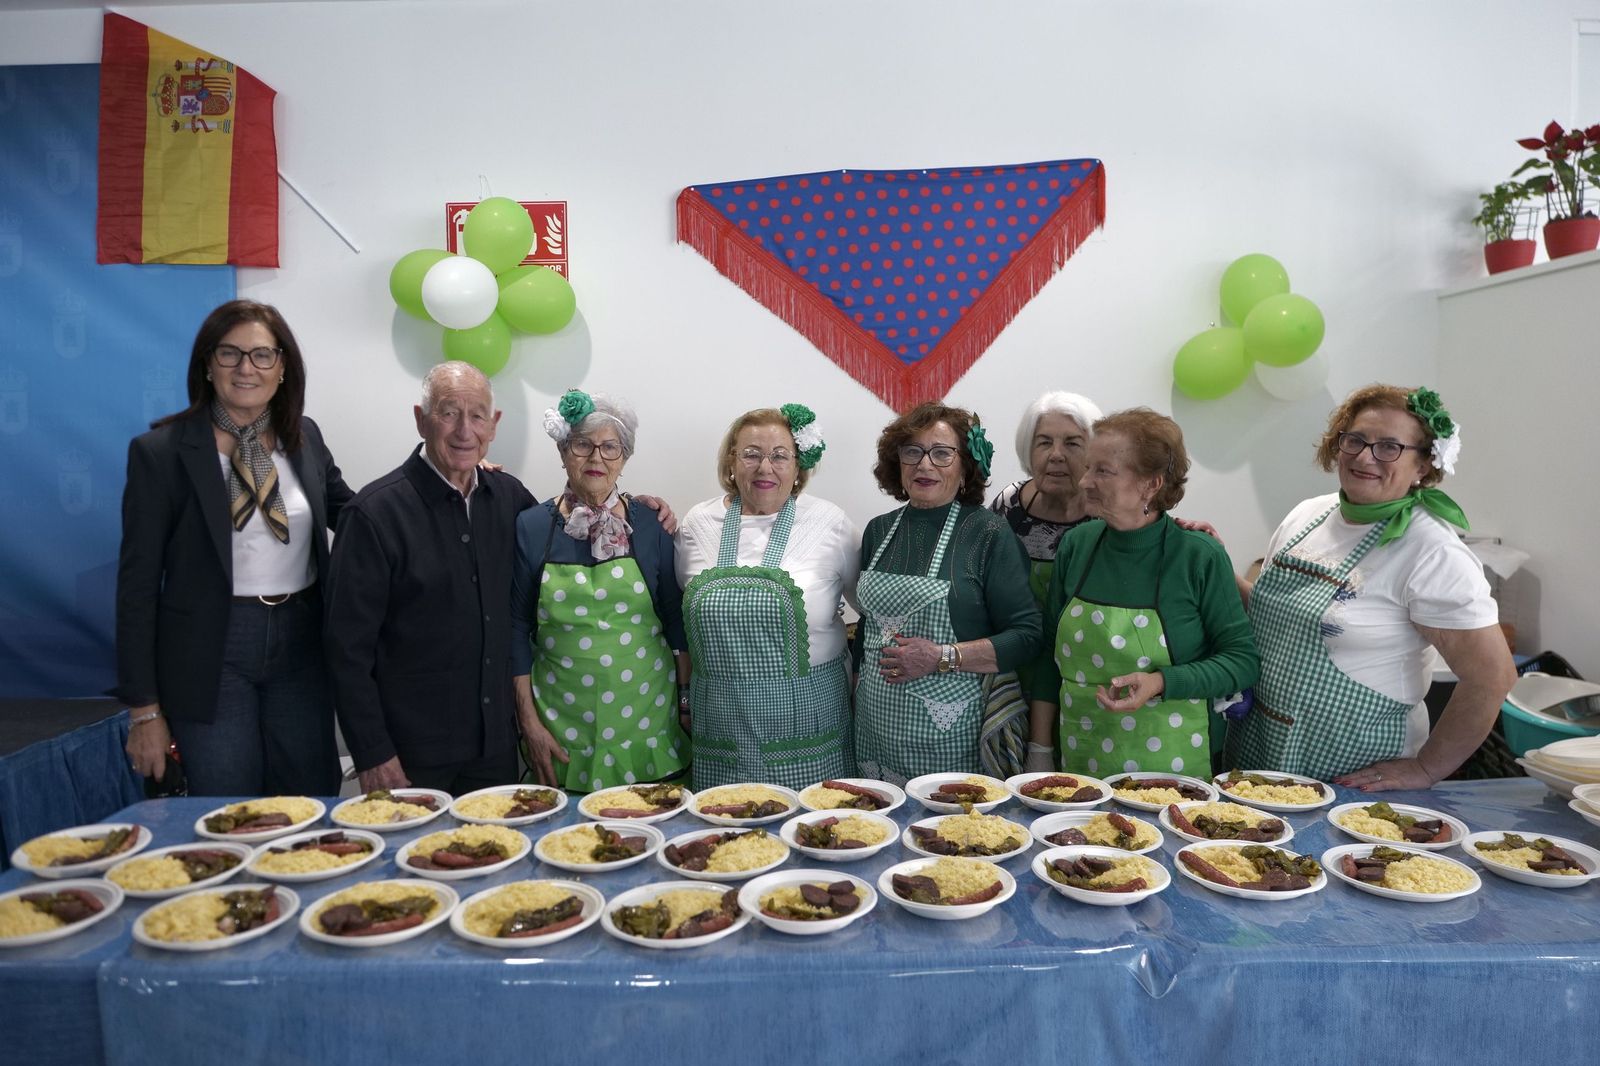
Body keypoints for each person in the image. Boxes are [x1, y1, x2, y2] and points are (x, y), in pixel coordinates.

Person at [1226, 385, 1517, 789]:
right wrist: (1217, 565)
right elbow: (1272, 615)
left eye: (1389, 447)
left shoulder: (1431, 551)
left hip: (1355, 768)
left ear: (1424, 465)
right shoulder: (1307, 514)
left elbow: (1493, 677)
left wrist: (1426, 768)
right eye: (1356, 440)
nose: (1365, 456)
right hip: (1262, 744)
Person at [116, 299, 352, 796]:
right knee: (228, 807)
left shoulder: (304, 437)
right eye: (230, 354)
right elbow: (136, 589)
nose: (247, 368)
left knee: (311, 801)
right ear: (207, 364)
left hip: (302, 642)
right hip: (212, 649)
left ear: (284, 367)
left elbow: (355, 518)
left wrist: (442, 481)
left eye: (263, 355)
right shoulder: (160, 453)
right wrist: (144, 712)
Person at [324, 361, 534, 795]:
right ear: (421, 420)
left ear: (493, 426)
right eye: (448, 412)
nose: (464, 431)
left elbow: (566, 529)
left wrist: (636, 507)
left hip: (493, 752)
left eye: (477, 415)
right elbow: (346, 651)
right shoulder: (372, 515)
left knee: (495, 859)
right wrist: (373, 753)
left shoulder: (509, 498)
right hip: (407, 757)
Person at [1027, 408, 1259, 777]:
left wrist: (1161, 682)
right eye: (1088, 467)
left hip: (1173, 768)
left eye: (1102, 470)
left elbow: (1242, 661)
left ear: (1151, 484)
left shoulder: (1198, 555)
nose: (1085, 481)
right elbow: (1047, 656)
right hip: (1079, 758)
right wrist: (1040, 750)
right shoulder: (1076, 546)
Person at [509, 390, 690, 791]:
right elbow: (516, 629)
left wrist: (685, 703)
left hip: (648, 720)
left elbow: (675, 621)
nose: (596, 458)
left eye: (610, 447)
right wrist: (529, 724)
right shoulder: (531, 527)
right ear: (562, 451)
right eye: (582, 445)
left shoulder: (650, 524)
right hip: (560, 722)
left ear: (624, 458)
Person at [854, 402, 1042, 784]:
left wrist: (941, 656)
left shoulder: (987, 533)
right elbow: (868, 622)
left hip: (953, 731)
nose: (925, 465)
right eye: (913, 452)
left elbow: (1027, 637)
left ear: (965, 466)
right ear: (898, 463)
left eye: (942, 453)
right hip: (874, 729)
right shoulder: (878, 530)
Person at [676, 405, 859, 790]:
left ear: (798, 466)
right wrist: (684, 696)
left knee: (815, 834)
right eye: (751, 454)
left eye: (780, 456)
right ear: (731, 461)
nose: (765, 467)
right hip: (721, 729)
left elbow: (872, 614)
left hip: (811, 726)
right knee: (728, 838)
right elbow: (682, 624)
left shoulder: (831, 524)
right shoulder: (695, 525)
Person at [989, 391, 1103, 709]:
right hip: (1016, 666)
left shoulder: (1108, 513)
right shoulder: (1007, 505)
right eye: (1044, 442)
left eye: (1072, 443)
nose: (1056, 455)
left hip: (1087, 671)